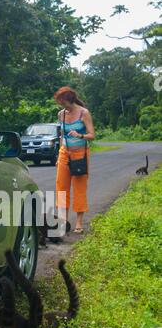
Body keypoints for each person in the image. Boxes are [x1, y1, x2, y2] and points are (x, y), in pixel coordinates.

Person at [54, 86, 95, 233]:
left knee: (79, 188)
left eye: (62, 101)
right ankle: (63, 221)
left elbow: (92, 135)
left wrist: (80, 135)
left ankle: (78, 223)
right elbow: (61, 136)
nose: (60, 105)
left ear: (69, 100)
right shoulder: (61, 114)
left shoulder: (84, 113)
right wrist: (59, 155)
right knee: (61, 187)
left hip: (80, 155)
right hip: (65, 153)